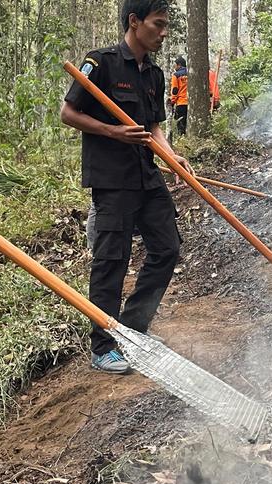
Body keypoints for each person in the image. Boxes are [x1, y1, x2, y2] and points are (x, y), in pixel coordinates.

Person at [61, 0, 192, 375]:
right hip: (112, 180)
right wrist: (113, 131)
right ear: (135, 21)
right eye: (159, 24)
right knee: (111, 261)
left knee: (167, 249)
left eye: (166, 26)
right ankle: (103, 345)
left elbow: (154, 128)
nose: (163, 33)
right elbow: (68, 113)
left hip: (145, 176)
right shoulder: (100, 63)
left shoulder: (154, 74)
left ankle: (132, 329)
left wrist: (172, 156)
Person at [169, 56, 188, 138]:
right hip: (190, 103)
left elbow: (175, 90)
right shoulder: (191, 73)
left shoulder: (176, 75)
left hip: (181, 103)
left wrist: (172, 102)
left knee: (180, 125)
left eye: (175, 65)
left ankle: (182, 139)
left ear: (179, 65)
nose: (174, 67)